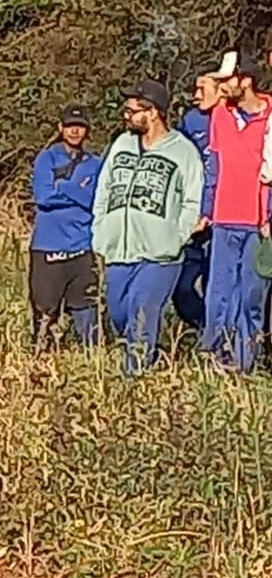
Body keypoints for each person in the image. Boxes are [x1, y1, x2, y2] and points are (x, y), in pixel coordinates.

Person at [91, 80, 204, 375]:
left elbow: (193, 198)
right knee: (119, 314)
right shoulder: (122, 144)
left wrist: (178, 236)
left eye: (133, 111)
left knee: (143, 313)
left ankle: (136, 378)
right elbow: (104, 189)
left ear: (153, 113)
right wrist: (99, 229)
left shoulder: (183, 151)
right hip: (118, 249)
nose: (126, 116)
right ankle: (145, 359)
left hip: (160, 254)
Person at [201, 51, 272, 373]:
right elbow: (213, 167)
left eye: (228, 79)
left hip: (259, 222)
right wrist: (207, 209)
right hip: (224, 218)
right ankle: (216, 353)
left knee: (252, 294)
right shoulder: (220, 115)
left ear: (246, 80)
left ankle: (246, 361)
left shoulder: (271, 115)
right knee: (219, 291)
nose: (223, 85)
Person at [28, 105, 102, 348]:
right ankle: (41, 362)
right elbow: (43, 197)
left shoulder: (96, 163)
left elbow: (96, 200)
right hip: (48, 247)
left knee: (87, 310)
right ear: (61, 128)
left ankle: (92, 363)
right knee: (44, 313)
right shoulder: (46, 158)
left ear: (87, 131)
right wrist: (79, 192)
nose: (74, 131)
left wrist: (64, 186)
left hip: (82, 246)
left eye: (79, 127)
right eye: (70, 126)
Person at [174, 72, 221, 331]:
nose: (196, 95)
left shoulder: (237, 119)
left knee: (218, 284)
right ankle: (204, 326)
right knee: (182, 287)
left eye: (203, 88)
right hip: (194, 220)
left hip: (227, 218)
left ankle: (219, 338)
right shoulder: (192, 121)